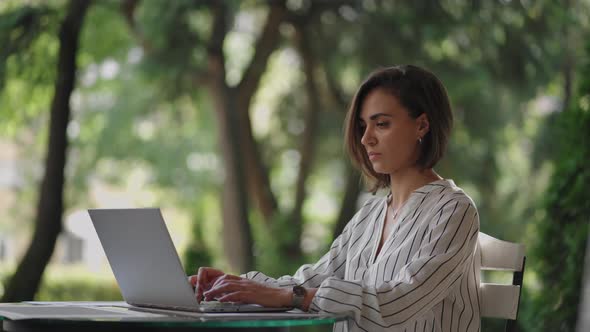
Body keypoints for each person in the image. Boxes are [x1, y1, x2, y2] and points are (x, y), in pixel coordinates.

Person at [189, 65, 480, 332]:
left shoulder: (454, 210)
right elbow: (310, 282)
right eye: (363, 126)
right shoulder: (371, 215)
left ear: (422, 125)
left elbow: (397, 303)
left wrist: (289, 296)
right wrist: (234, 285)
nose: (366, 139)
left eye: (381, 124)